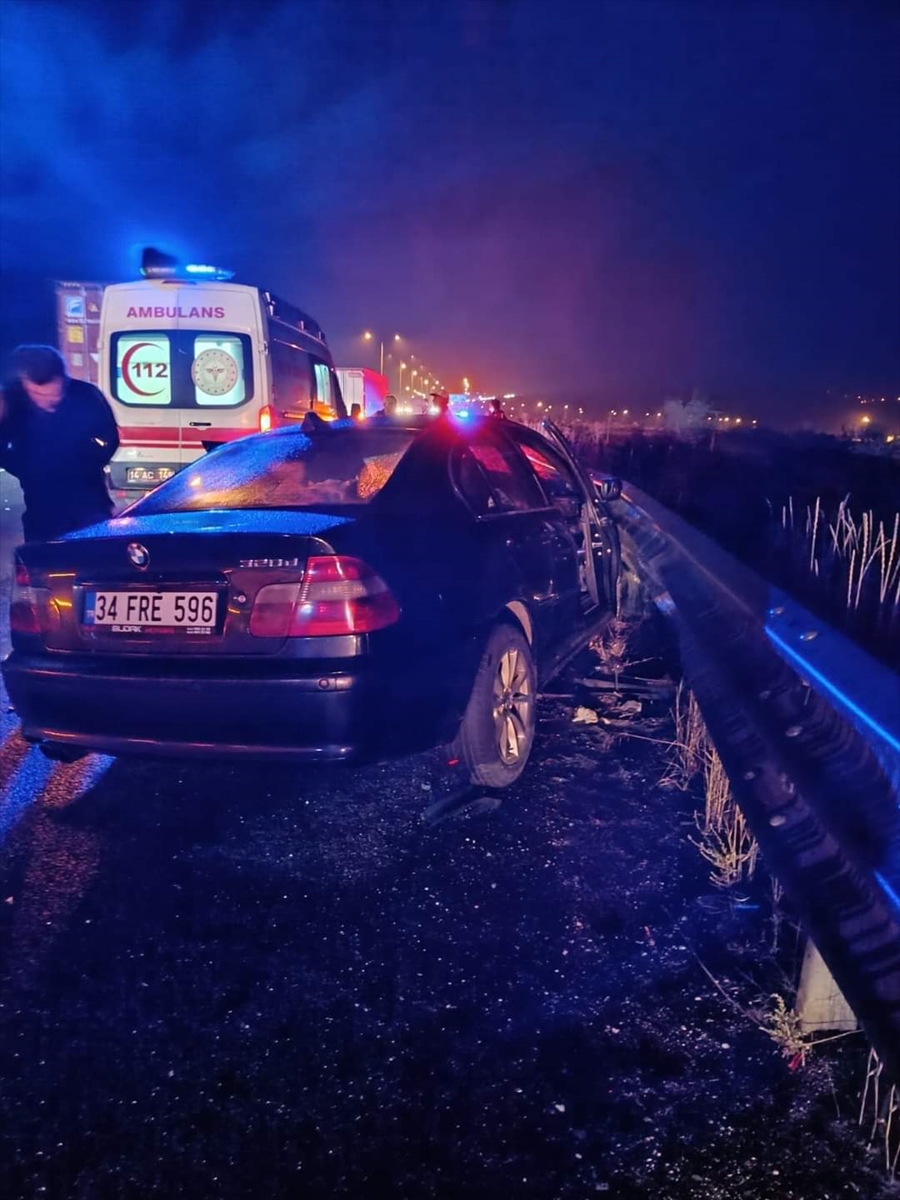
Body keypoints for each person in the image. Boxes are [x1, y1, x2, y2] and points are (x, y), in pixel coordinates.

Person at [0, 345, 119, 542]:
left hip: (90, 499)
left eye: (57, 394)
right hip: (41, 505)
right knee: (44, 560)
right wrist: (25, 469)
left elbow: (110, 438)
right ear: (25, 383)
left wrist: (89, 463)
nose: (51, 401)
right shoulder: (12, 401)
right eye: (41, 396)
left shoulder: (86, 395)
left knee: (95, 555)